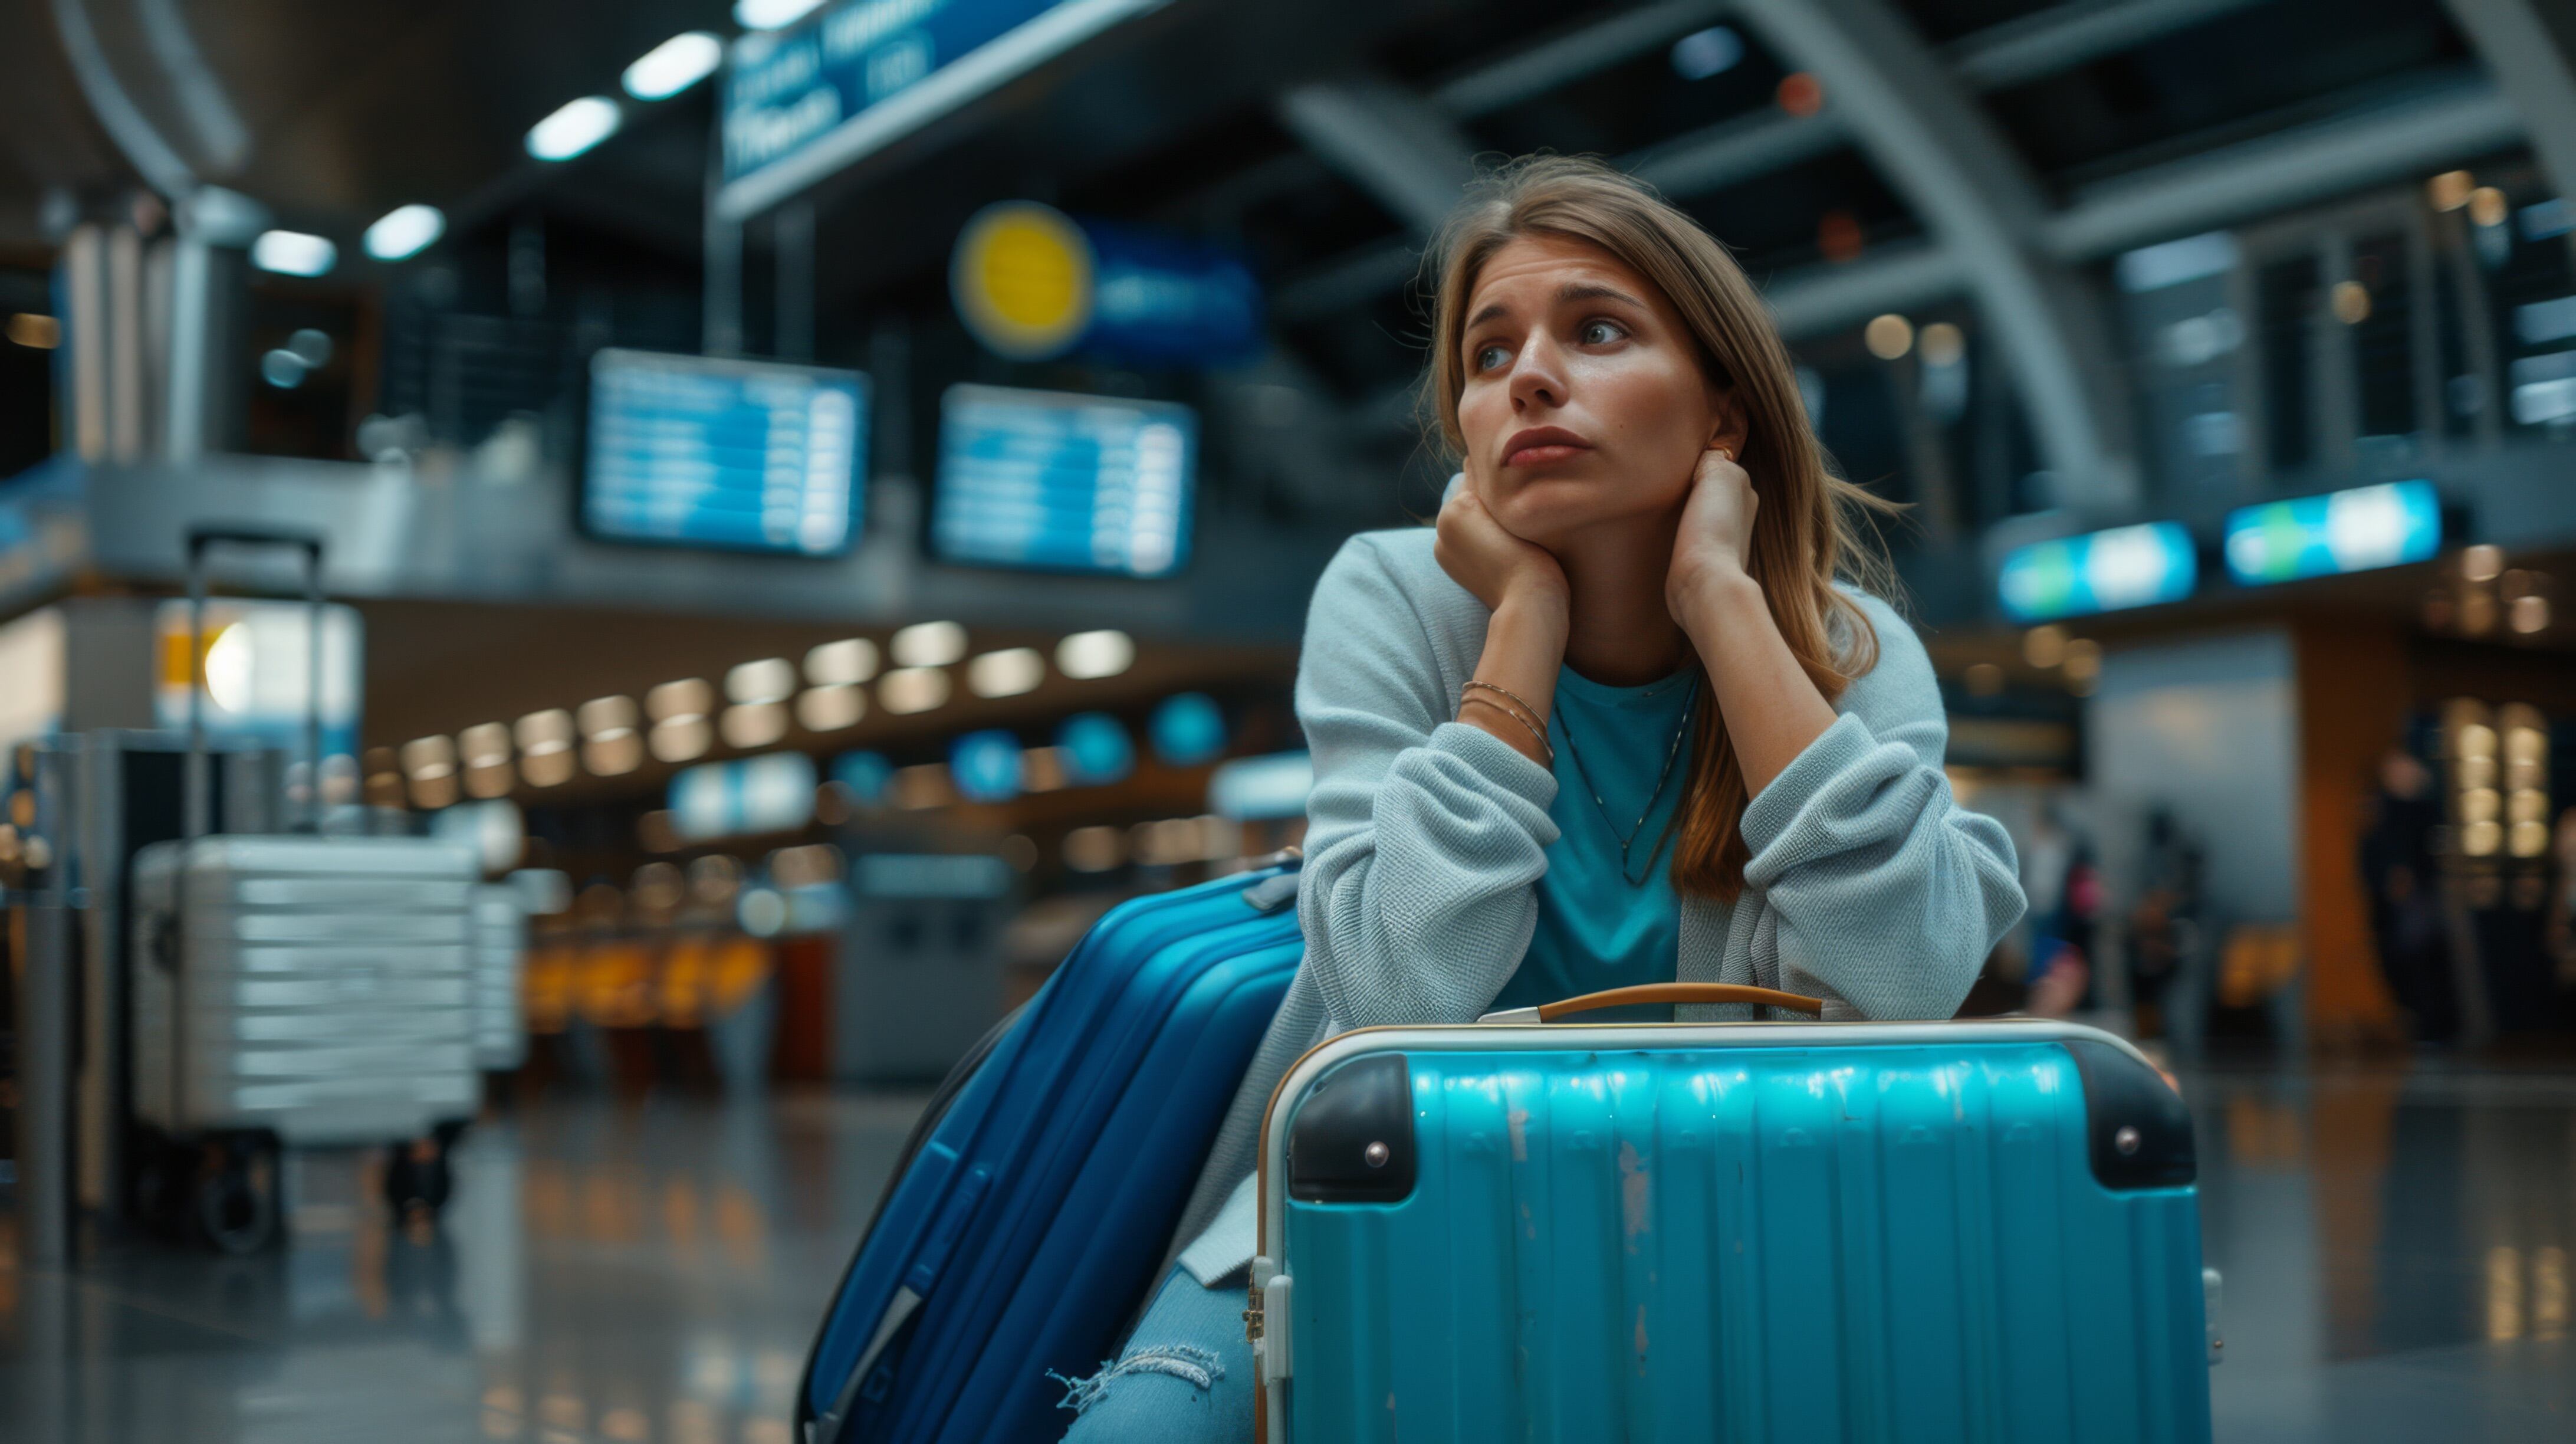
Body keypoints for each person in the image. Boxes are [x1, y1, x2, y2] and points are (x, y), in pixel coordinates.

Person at [1056, 155, 2026, 1441]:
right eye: (1489, 350)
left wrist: (1724, 605)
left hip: (1726, 1226)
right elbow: (1397, 994)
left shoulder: (1853, 654)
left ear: (1726, 413)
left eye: (1599, 331)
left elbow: (1906, 973)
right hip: (1376, 1200)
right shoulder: (1392, 598)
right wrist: (1522, 624)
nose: (1528, 376)